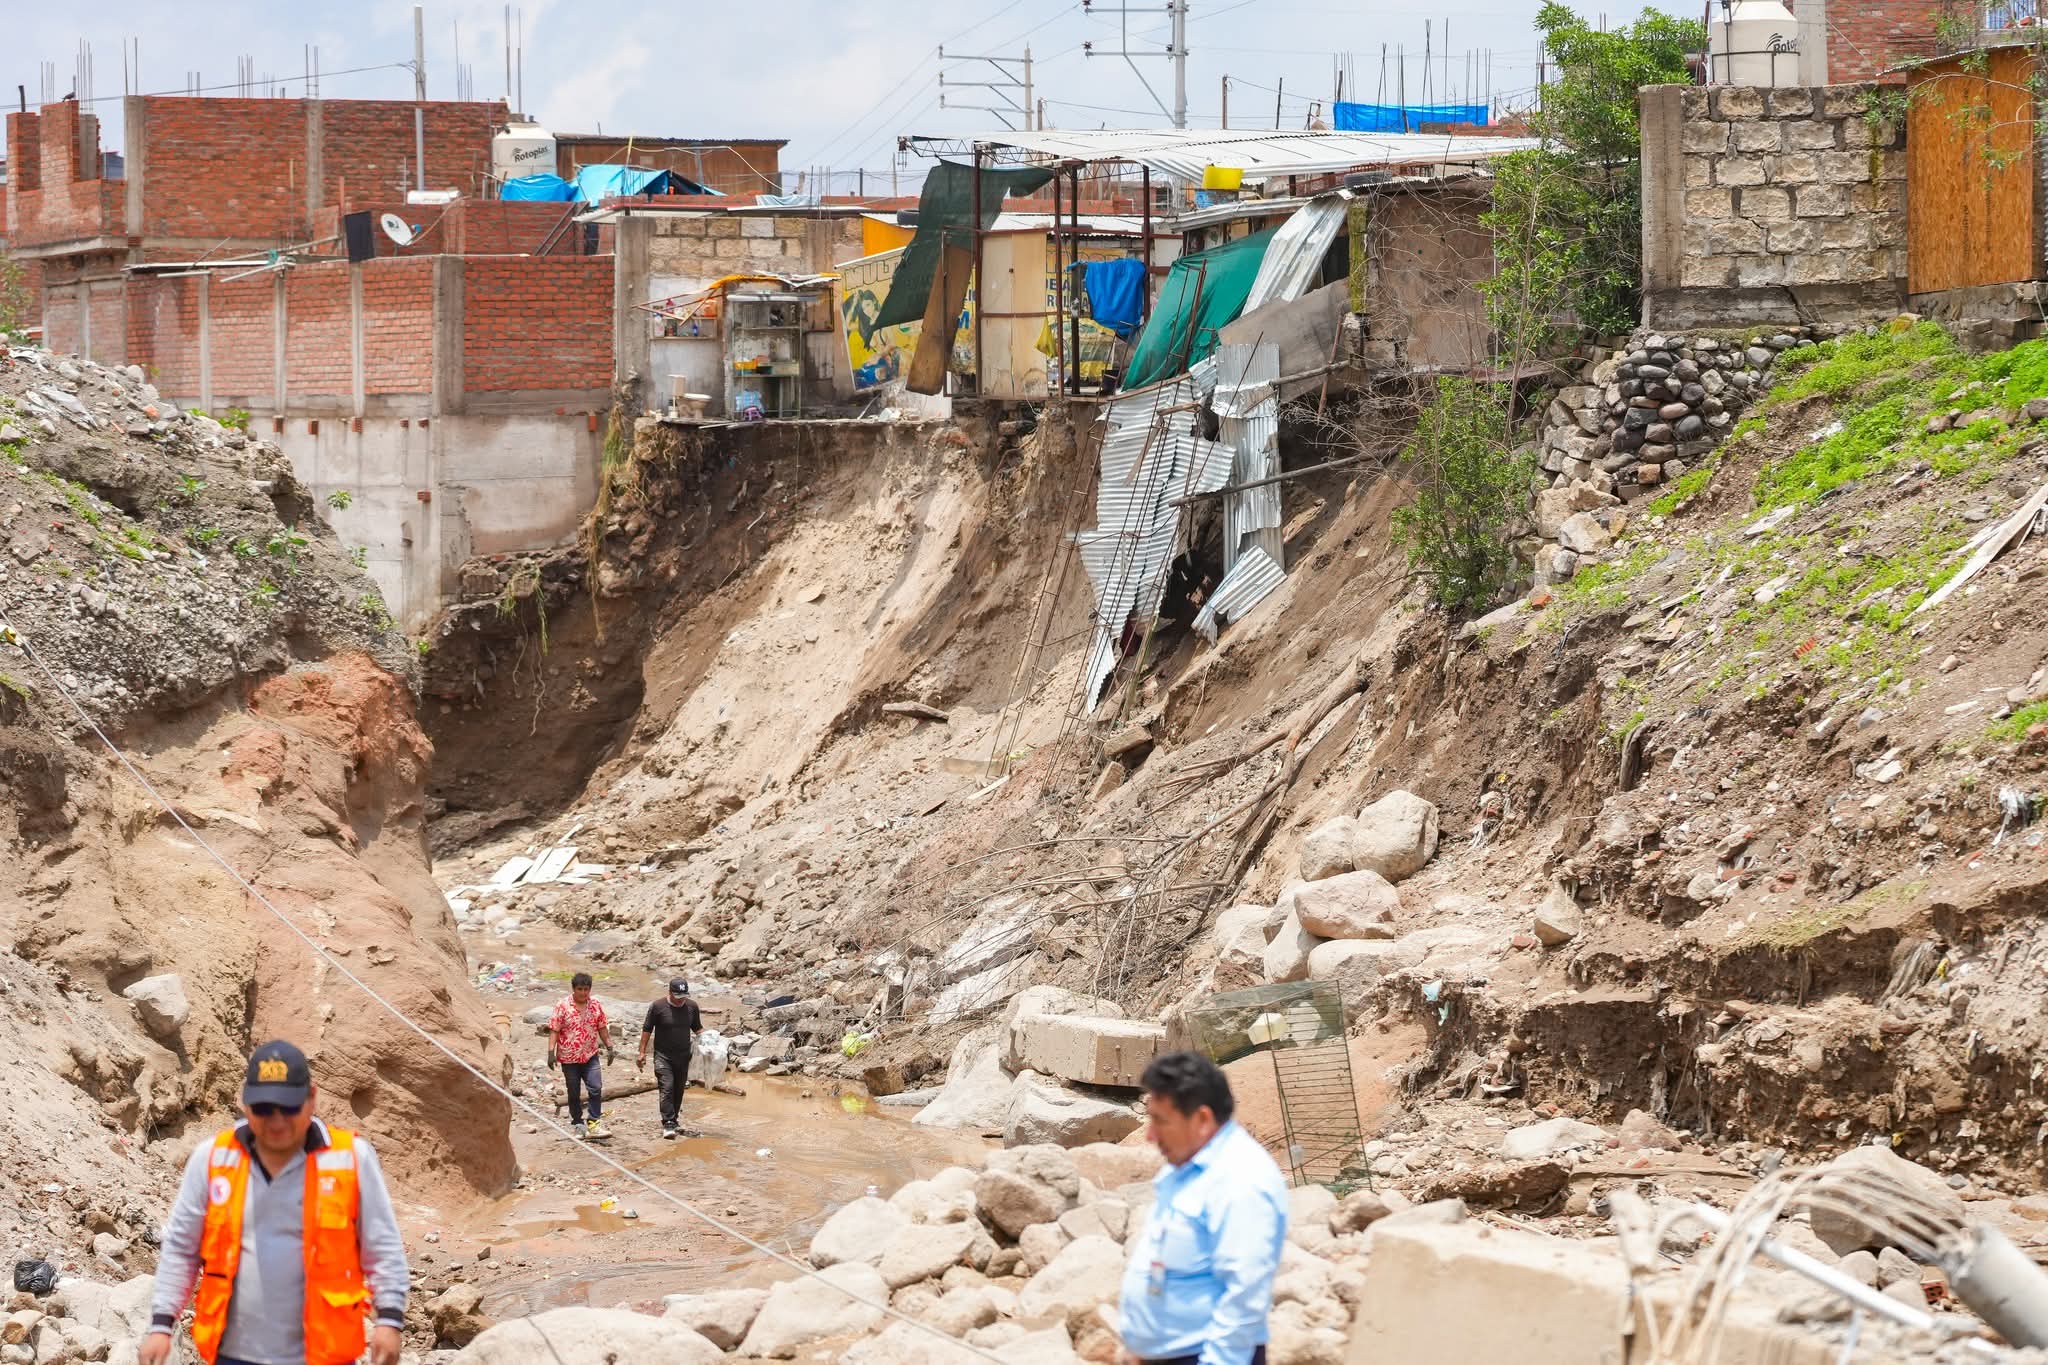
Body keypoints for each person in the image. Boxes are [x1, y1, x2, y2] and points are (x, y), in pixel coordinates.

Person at [142, 1040, 408, 1365]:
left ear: (311, 1098)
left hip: (323, 1355)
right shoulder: (213, 1159)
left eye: (289, 1107)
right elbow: (182, 1249)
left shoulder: (351, 1159)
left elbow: (383, 1249)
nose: (277, 1121)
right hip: (233, 1355)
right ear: (245, 1102)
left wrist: (390, 1320)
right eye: (265, 1108)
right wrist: (161, 1325)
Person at [1118, 1051, 1288, 1365]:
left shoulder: (1241, 1180)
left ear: (1202, 1120)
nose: (1150, 1135)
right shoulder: (1187, 1164)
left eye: (1160, 1121)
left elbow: (1245, 1292)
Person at [549, 971, 616, 1140]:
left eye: (586, 989)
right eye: (580, 989)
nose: (583, 992)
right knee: (573, 1092)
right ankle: (578, 1124)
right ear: (573, 989)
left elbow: (602, 1027)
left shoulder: (595, 1005)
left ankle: (594, 1123)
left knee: (595, 1087)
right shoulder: (563, 1006)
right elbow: (554, 1029)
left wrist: (609, 1046)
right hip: (568, 1058)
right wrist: (550, 1052)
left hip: (590, 1055)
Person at [637, 977, 704, 1139]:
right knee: (667, 1086)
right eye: (678, 996)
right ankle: (667, 1122)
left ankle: (674, 1120)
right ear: (670, 992)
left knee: (679, 1089)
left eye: (684, 996)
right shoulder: (658, 1007)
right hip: (663, 1056)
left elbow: (697, 1028)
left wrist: (712, 1043)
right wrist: (641, 1052)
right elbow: (647, 1029)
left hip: (683, 1056)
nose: (681, 1000)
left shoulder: (692, 1007)